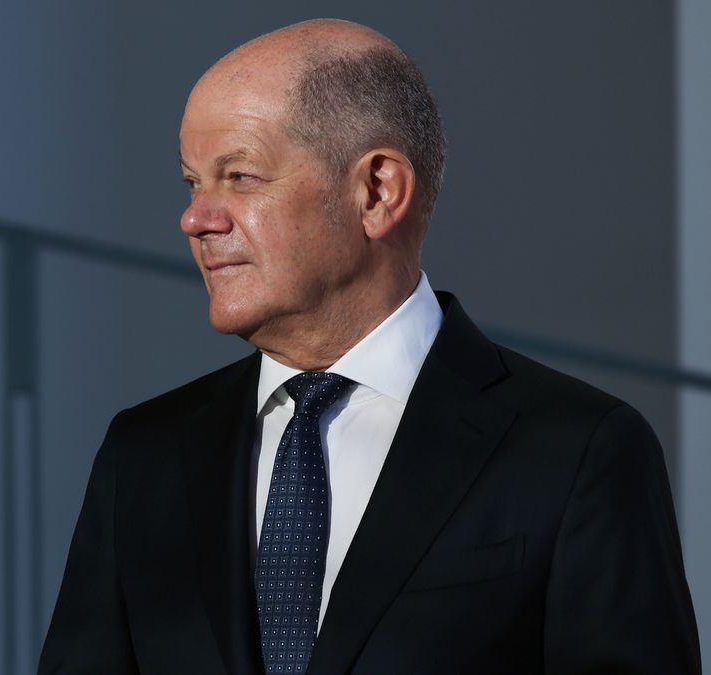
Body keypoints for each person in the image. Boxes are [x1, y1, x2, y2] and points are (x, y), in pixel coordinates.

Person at [37, 18, 699, 675]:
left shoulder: (577, 451)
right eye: (192, 182)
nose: (196, 217)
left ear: (378, 191)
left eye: (238, 176)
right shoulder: (144, 455)